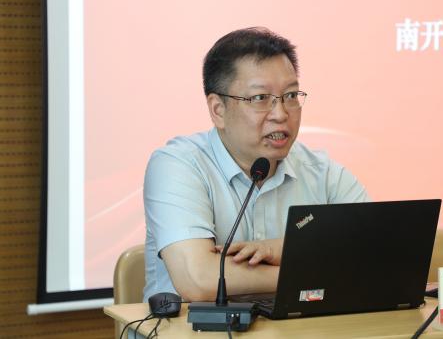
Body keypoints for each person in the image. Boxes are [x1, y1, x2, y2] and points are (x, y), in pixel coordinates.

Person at [143, 27, 369, 302]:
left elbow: (377, 255)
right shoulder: (177, 166)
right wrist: (314, 272)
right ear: (218, 110)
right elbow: (198, 280)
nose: (281, 114)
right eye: (260, 98)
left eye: (291, 96)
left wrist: (281, 250)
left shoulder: (323, 173)